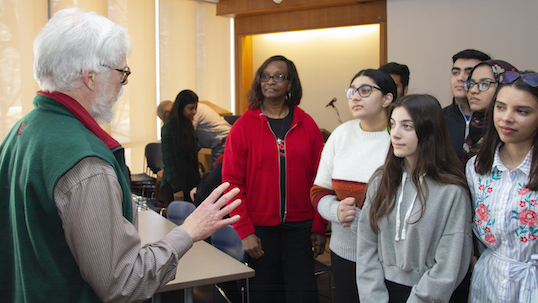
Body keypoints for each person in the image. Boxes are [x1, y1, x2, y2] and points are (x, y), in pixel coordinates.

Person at [0, 8, 241, 303]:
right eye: (122, 72)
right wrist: (189, 231)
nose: (124, 84)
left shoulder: (21, 132)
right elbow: (123, 283)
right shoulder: (86, 163)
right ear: (90, 77)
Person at [222, 55, 327, 303]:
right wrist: (244, 231)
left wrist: (319, 225)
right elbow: (232, 183)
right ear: (259, 81)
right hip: (260, 230)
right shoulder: (243, 126)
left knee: (302, 295)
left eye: (279, 76)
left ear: (290, 84)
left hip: (301, 229)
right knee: (265, 296)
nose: (271, 81)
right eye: (266, 75)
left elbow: (320, 179)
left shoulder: (307, 124)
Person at [357, 94, 473, 303]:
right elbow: (366, 246)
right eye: (392, 124)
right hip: (381, 291)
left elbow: (449, 266)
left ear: (429, 130)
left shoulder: (452, 191)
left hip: (429, 295)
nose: (395, 134)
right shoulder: (381, 180)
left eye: (407, 126)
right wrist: (373, 297)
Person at [310, 68, 396, 302]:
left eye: (365, 91)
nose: (355, 97)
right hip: (345, 251)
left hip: (390, 255)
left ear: (388, 98)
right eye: (352, 91)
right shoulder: (341, 134)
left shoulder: (400, 139)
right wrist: (334, 210)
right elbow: (319, 191)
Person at [466, 70, 538, 302]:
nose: (507, 118)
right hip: (488, 283)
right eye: (500, 107)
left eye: (522, 111)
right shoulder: (477, 167)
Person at [462, 60, 518, 164]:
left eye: (484, 84)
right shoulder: (474, 125)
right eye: (471, 83)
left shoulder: (509, 128)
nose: (473, 90)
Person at [444, 49, 491, 160]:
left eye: (469, 73)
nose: (460, 78)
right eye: (456, 72)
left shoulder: (499, 122)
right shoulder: (438, 118)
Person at [161, 89, 201, 204]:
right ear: (180, 107)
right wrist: (177, 188)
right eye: (190, 108)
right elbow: (168, 160)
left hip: (189, 181)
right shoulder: (169, 126)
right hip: (175, 184)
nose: (194, 112)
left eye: (195, 108)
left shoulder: (188, 124)